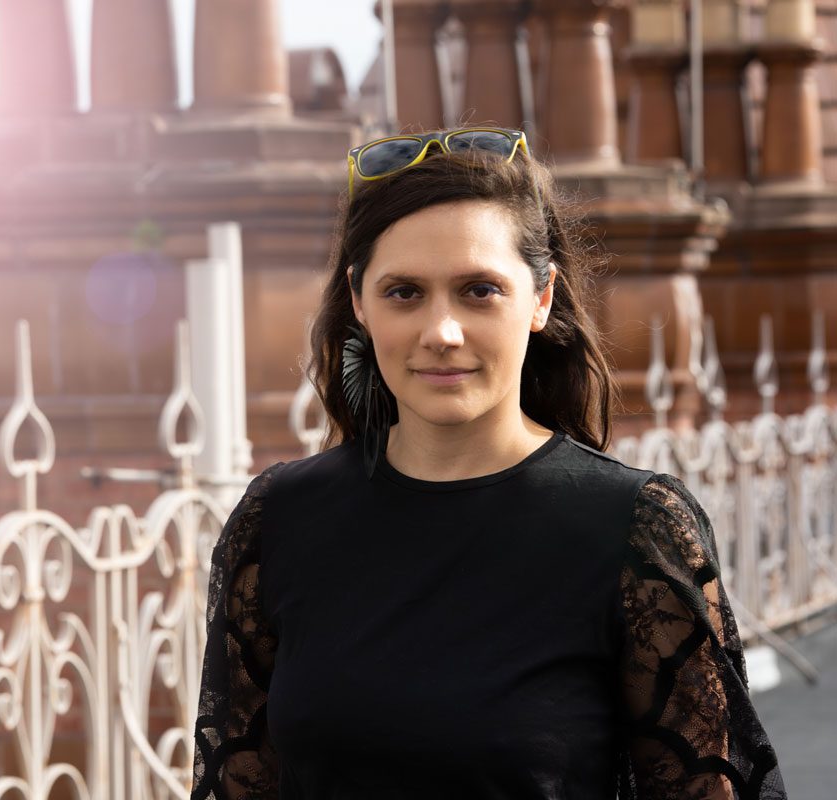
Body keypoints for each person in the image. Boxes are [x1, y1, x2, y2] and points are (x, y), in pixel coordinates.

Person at [189, 128, 787, 799]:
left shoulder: (632, 527)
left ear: (540, 299)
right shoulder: (278, 520)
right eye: (404, 293)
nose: (441, 333)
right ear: (359, 301)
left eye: (478, 291)